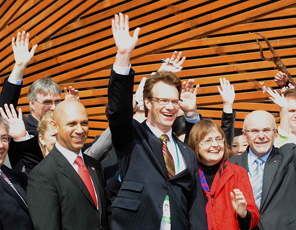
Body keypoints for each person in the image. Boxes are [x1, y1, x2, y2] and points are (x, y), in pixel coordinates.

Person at [107, 13, 207, 229]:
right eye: (162, 100)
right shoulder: (131, 136)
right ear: (148, 102)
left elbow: (196, 208)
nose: (170, 107)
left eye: (174, 101)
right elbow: (118, 111)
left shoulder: (187, 153)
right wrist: (123, 57)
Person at [0, 31, 79, 172]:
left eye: (57, 102)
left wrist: (71, 111)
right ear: (32, 103)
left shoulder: (62, 127)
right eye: (47, 102)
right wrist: (19, 67)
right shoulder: (20, 127)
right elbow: (2, 111)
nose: (53, 107)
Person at [27, 100, 108, 230]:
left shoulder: (94, 166)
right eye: (71, 124)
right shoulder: (43, 174)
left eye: (84, 123)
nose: (80, 130)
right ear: (54, 126)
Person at [229, 110, 296, 230]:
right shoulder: (231, 165)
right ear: (245, 135)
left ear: (275, 133)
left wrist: (286, 109)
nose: (261, 136)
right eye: (254, 131)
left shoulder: (289, 156)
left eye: (266, 130)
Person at [188, 118, 259, 229]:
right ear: (196, 145)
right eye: (208, 141)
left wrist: (243, 214)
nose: (215, 145)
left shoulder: (237, 173)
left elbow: (253, 218)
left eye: (219, 139)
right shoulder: (188, 174)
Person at [0, 113, 34, 230]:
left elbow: (37, 177)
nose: (0, 145)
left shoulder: (8, 173)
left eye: (4, 138)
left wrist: (22, 138)